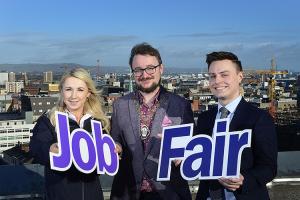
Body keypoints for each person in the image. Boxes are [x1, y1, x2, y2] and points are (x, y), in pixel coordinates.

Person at [110, 43, 194, 200]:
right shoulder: (119, 105)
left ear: (161, 69)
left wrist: (186, 154)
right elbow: (115, 140)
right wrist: (116, 148)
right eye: (138, 70)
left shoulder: (181, 106)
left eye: (150, 68)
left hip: (168, 193)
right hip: (128, 193)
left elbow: (193, 146)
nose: (145, 74)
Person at [195, 51, 277, 200]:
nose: (217, 81)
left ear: (240, 76)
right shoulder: (204, 118)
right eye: (212, 76)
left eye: (224, 74)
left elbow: (269, 168)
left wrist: (244, 180)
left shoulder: (259, 118)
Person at [29, 68, 110, 200]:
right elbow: (35, 148)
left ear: (88, 93)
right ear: (61, 91)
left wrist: (114, 150)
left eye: (80, 90)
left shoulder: (97, 122)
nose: (73, 96)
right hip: (60, 195)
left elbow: (106, 153)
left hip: (93, 194)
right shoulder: (49, 120)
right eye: (68, 89)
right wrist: (50, 149)